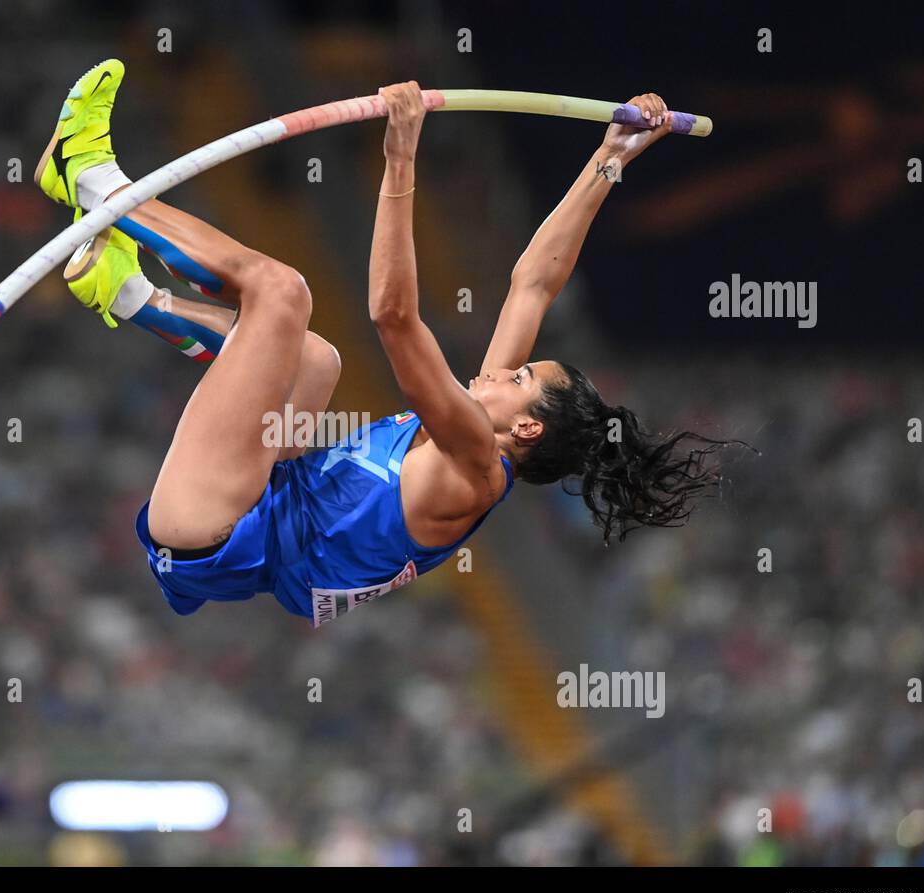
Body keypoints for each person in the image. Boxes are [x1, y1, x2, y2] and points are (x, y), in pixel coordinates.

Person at [36, 59, 731, 627]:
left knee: (281, 295)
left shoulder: (472, 462)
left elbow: (394, 315)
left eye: (518, 379)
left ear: (525, 425)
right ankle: (126, 292)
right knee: (314, 358)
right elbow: (533, 286)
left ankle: (93, 180)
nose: (501, 371)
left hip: (209, 528)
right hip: (267, 504)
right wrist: (610, 161)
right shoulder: (480, 431)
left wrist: (399, 156)